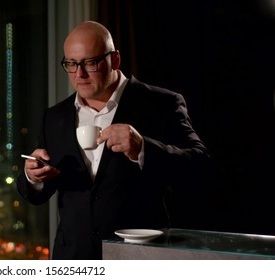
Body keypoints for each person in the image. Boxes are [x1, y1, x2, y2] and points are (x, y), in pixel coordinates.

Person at [17, 21, 211, 260]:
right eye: (71, 64)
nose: (80, 74)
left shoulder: (161, 104)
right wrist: (32, 176)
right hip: (73, 259)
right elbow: (38, 193)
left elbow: (201, 167)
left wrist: (142, 148)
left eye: (90, 62)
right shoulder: (54, 116)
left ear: (115, 60)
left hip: (140, 259)